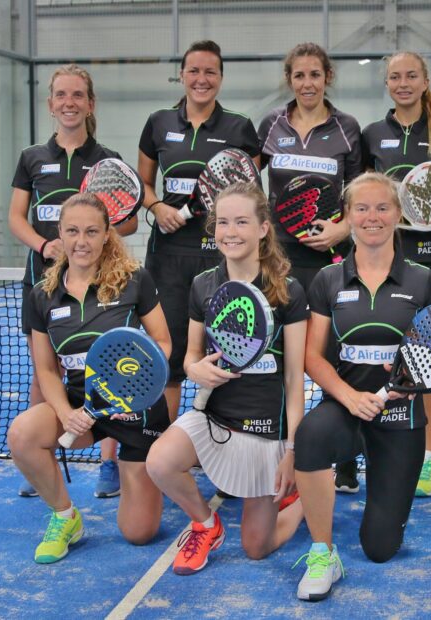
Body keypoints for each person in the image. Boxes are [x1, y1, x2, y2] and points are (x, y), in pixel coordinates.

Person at [292, 173, 431, 601]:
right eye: (361, 208)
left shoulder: (423, 281)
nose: (371, 217)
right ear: (348, 216)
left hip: (401, 418)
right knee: (310, 436)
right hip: (346, 409)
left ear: (397, 214)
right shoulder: (327, 279)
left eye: (382, 208)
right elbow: (312, 356)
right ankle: (322, 552)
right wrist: (348, 397)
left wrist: (412, 380)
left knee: (380, 548)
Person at [146, 182, 307, 575]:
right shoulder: (203, 285)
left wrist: (293, 452)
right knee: (160, 462)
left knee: (256, 547)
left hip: (266, 430)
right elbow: (190, 357)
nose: (230, 232)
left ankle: (310, 489)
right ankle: (205, 524)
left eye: (241, 222)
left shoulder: (288, 290)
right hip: (214, 421)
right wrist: (194, 369)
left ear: (263, 228)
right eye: (222, 222)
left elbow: (294, 379)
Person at [7, 193, 172, 565]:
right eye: (72, 231)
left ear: (106, 234)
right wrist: (66, 414)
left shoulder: (134, 279)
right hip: (82, 404)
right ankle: (66, 517)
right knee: (22, 435)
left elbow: (162, 343)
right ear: (60, 234)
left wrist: (129, 390)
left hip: (137, 410)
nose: (81, 241)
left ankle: (146, 473)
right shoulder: (42, 295)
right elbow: (46, 369)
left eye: (91, 232)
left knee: (139, 533)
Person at [8, 64, 135, 500]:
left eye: (78, 95)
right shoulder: (32, 158)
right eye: (61, 95)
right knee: (44, 370)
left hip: (99, 286)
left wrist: (90, 238)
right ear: (50, 103)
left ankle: (108, 463)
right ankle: (39, 461)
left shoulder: (108, 161)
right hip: (43, 284)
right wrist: (46, 247)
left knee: (105, 370)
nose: (69, 102)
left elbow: (129, 221)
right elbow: (16, 217)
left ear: (90, 103)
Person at [361, 51, 431, 499]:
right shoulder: (372, 135)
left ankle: (430, 459)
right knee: (380, 350)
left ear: (425, 81)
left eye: (411, 75)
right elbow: (365, 198)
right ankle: (376, 447)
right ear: (387, 83)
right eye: (395, 76)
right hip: (384, 260)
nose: (403, 83)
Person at [258, 42, 364, 494]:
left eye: (315, 75)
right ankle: (280, 452)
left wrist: (342, 230)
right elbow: (250, 185)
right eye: (299, 75)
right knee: (280, 357)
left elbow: (358, 193)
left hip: (330, 260)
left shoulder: (347, 128)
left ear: (327, 78)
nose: (307, 83)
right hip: (280, 259)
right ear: (290, 79)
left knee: (334, 357)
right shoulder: (271, 125)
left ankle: (344, 459)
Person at [137, 40, 260, 423]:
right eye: (194, 71)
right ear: (182, 75)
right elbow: (144, 184)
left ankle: (223, 439)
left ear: (220, 77)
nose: (201, 79)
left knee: (227, 351)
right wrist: (157, 208)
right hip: (167, 258)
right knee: (168, 356)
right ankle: (160, 440)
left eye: (210, 71)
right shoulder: (159, 123)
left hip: (222, 258)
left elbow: (251, 193)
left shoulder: (239, 127)